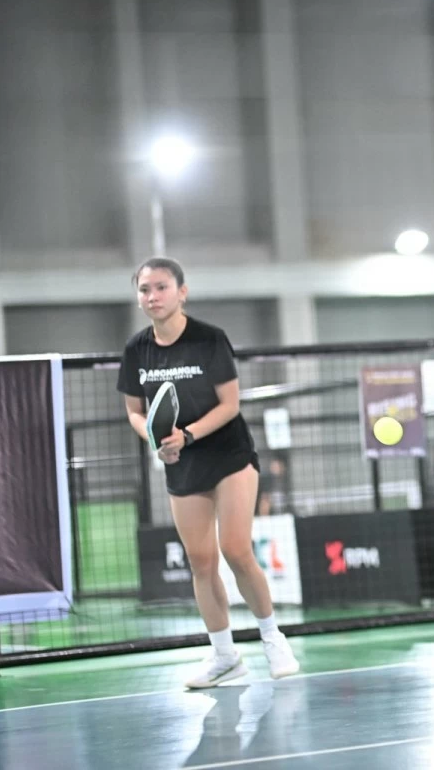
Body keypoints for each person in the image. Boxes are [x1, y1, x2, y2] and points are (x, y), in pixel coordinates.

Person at [118, 257, 300, 688]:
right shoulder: (136, 349)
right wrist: (157, 440)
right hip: (181, 462)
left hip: (227, 454)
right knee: (201, 561)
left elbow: (230, 404)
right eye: (144, 289)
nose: (152, 296)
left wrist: (188, 435)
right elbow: (134, 412)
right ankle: (224, 657)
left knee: (236, 549)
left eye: (161, 287)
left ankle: (272, 638)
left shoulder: (209, 339)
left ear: (182, 292)